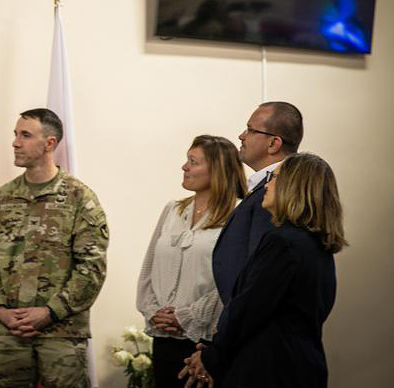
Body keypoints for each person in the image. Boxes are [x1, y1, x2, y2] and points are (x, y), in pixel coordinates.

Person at [183, 153, 346, 387]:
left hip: (269, 368)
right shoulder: (317, 245)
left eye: (274, 177)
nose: (267, 184)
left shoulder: (282, 242)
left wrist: (213, 354)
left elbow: (249, 308)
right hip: (301, 365)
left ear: (293, 186)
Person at [0, 108, 109, 388]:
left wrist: (50, 311)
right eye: (15, 134)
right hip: (9, 333)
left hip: (61, 333)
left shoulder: (79, 198)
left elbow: (91, 269)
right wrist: (0, 310)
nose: (15, 142)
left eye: (25, 135)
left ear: (49, 143)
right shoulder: (2, 198)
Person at [136, 135, 246, 388]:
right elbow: (148, 267)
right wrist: (152, 311)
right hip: (163, 337)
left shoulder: (238, 214)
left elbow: (233, 282)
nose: (184, 167)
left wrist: (187, 316)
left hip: (204, 341)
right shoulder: (173, 209)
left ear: (217, 170)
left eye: (193, 162)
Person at [210, 101, 303, 333]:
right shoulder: (264, 188)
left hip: (256, 334)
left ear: (273, 143)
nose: (242, 136)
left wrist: (224, 344)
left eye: (251, 130)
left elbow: (258, 280)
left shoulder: (273, 195)